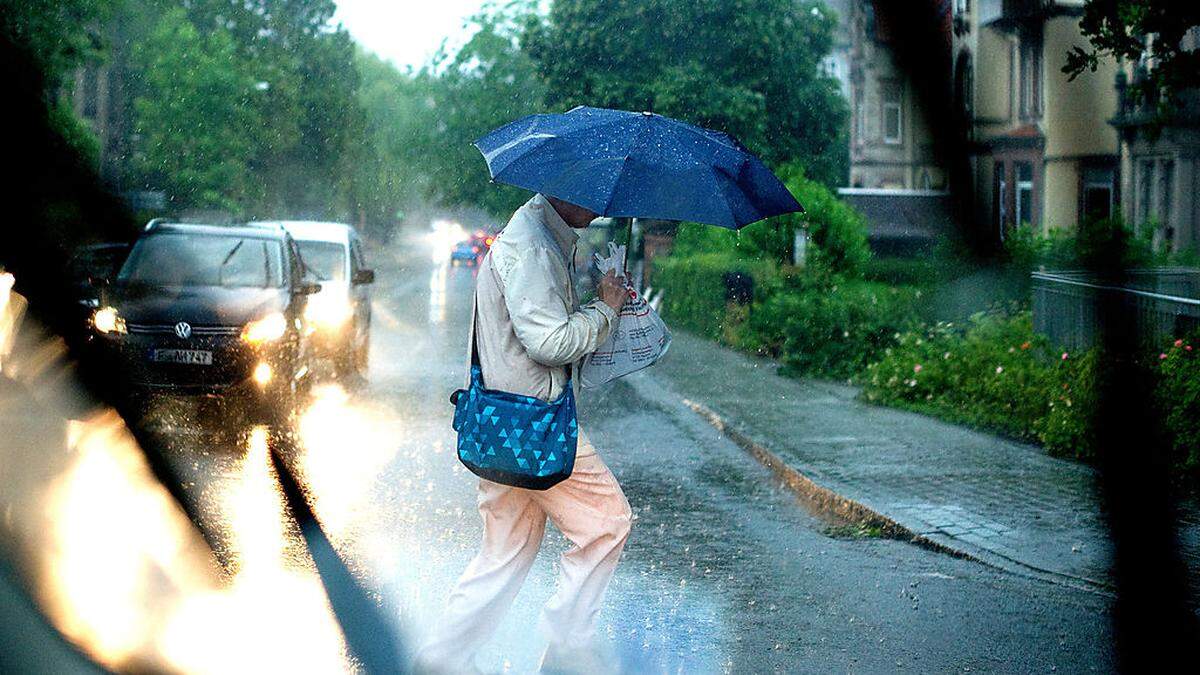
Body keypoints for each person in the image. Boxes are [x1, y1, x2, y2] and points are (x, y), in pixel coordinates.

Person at [416, 194, 632, 674]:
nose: (599, 204)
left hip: (504, 424)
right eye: (590, 193)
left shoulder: (537, 237)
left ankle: (442, 658)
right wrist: (607, 310)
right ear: (562, 189)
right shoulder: (533, 247)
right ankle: (568, 646)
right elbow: (550, 341)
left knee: (506, 551)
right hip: (534, 427)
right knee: (607, 522)